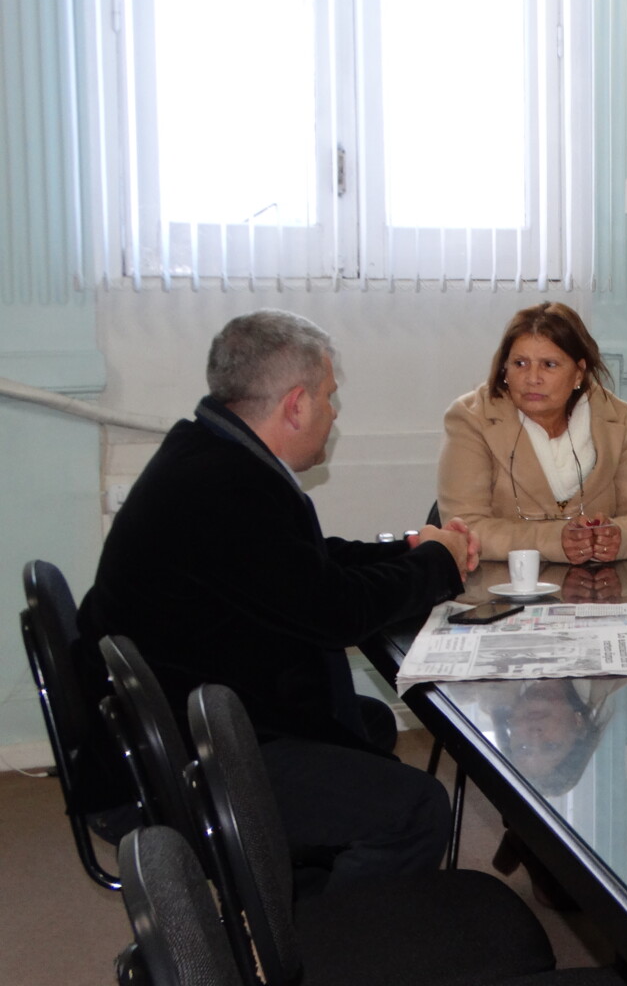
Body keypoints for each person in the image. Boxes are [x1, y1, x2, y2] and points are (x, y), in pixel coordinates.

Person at [79, 310, 477, 887]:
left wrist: (409, 550)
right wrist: (437, 564)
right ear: (296, 405)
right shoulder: (230, 488)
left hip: (178, 725)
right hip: (181, 763)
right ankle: (323, 934)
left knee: (365, 726)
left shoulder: (208, 450)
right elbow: (337, 613)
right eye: (329, 398)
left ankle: (306, 891)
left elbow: (302, 566)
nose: (333, 414)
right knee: (417, 809)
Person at [438, 302, 627, 564]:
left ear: (578, 373)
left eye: (549, 364)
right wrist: (554, 540)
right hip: (503, 583)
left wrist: (620, 536)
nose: (532, 378)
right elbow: (465, 529)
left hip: (600, 585)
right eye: (520, 363)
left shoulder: (617, 421)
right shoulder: (472, 419)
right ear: (505, 369)